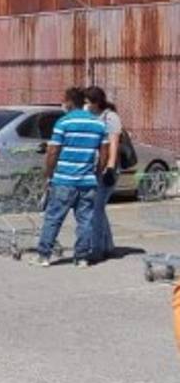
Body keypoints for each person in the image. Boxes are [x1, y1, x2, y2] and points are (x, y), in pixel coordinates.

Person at [32, 87, 109, 268]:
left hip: (64, 180)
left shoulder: (63, 123)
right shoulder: (99, 124)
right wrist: (96, 173)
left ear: (69, 102)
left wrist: (49, 173)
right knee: (85, 220)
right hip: (87, 182)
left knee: (53, 218)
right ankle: (81, 257)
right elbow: (104, 155)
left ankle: (44, 255)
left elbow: (53, 152)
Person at [84, 86, 121, 262]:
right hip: (96, 167)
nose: (85, 105)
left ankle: (97, 248)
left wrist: (111, 168)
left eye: (87, 102)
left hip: (107, 169)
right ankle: (108, 245)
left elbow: (113, 143)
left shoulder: (110, 117)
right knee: (98, 208)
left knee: (96, 209)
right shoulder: (92, 116)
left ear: (96, 102)